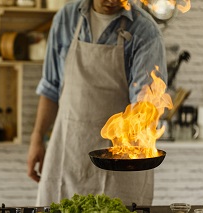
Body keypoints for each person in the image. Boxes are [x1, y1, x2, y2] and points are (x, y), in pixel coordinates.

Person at [27, 0, 167, 207]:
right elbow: (50, 88)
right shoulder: (66, 19)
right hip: (67, 153)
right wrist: (37, 138)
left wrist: (134, 137)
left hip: (120, 165)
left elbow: (144, 104)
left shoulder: (145, 31)